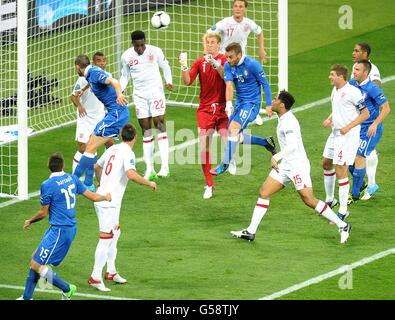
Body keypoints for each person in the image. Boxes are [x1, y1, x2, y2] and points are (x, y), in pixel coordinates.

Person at [230, 91, 351, 244]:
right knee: (264, 192)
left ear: (282, 104)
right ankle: (251, 231)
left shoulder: (289, 122)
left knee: (309, 200)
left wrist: (276, 156)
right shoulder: (283, 118)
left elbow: (293, 146)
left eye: (275, 99)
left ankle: (343, 225)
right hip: (286, 165)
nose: (272, 101)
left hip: (297, 166)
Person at [18, 152, 111, 300]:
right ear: (63, 166)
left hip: (60, 231)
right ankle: (27, 297)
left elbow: (43, 213)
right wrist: (105, 197)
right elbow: (93, 197)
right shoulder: (72, 178)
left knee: (36, 264)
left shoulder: (47, 185)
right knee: (35, 258)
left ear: (49, 167)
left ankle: (67, 289)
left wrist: (30, 220)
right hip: (66, 228)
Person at [88, 124, 157, 291]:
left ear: (121, 135)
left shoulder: (112, 148)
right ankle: (95, 276)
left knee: (115, 232)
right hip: (108, 203)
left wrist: (99, 183)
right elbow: (131, 174)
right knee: (106, 238)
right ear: (135, 138)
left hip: (105, 198)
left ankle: (110, 271)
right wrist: (149, 182)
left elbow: (97, 166)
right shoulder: (128, 153)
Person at [209, 42, 276, 176]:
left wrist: (268, 105)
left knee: (233, 129)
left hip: (251, 104)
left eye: (231, 57)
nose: (228, 60)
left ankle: (225, 163)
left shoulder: (252, 64)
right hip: (239, 103)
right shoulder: (228, 65)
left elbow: (266, 85)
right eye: (227, 57)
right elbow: (228, 85)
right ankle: (266, 143)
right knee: (234, 135)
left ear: (239, 55)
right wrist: (229, 103)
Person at [179, 32, 229, 199]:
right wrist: (184, 66)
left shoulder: (224, 59)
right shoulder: (200, 62)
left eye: (212, 42)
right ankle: (209, 184)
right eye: (207, 42)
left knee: (227, 139)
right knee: (204, 146)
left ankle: (230, 159)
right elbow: (187, 81)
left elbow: (227, 77)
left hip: (222, 108)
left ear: (218, 44)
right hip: (205, 109)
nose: (209, 45)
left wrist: (216, 64)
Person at [120, 30, 173, 181]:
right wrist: (120, 90)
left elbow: (166, 66)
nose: (141, 49)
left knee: (159, 123)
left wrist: (168, 81)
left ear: (145, 42)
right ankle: (149, 169)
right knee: (145, 128)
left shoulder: (155, 51)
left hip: (156, 92)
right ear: (133, 44)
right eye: (137, 46)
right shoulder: (126, 56)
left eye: (143, 45)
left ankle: (164, 167)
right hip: (140, 96)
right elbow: (125, 75)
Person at [73, 54, 129, 191]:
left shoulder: (95, 72)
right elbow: (91, 82)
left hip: (117, 113)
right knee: (92, 143)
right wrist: (82, 89)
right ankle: (90, 180)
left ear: (77, 67)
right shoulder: (89, 75)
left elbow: (114, 81)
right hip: (114, 114)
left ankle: (75, 180)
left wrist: (120, 94)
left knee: (92, 146)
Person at [321, 64, 370, 221]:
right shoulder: (334, 90)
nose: (329, 77)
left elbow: (365, 114)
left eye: (332, 74)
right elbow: (337, 108)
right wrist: (330, 119)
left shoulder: (353, 92)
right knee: (326, 163)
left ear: (341, 77)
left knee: (341, 168)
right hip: (335, 133)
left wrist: (348, 127)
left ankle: (343, 210)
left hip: (347, 136)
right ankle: (330, 199)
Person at [208, 0, 267, 126]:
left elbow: (259, 32)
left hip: (241, 59)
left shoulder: (248, 23)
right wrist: (209, 48)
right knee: (227, 84)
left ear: (245, 9)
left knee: (244, 85)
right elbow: (210, 32)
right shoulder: (225, 22)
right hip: (226, 58)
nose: (237, 9)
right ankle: (227, 108)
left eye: (240, 6)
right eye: (235, 6)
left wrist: (261, 48)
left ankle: (251, 111)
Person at [348, 60, 390, 202]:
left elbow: (386, 108)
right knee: (349, 161)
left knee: (360, 156)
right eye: (354, 69)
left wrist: (375, 124)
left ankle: (354, 195)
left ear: (365, 72)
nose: (354, 72)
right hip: (357, 127)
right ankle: (364, 186)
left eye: (357, 70)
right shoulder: (352, 84)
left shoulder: (372, 88)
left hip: (370, 129)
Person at [71, 52, 114, 176]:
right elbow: (73, 97)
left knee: (110, 144)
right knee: (83, 148)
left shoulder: (108, 76)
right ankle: (76, 176)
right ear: (93, 63)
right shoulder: (82, 79)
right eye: (99, 61)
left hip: (100, 116)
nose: (102, 63)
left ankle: (107, 170)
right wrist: (79, 106)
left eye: (104, 60)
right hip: (85, 118)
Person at [350, 43, 383, 199]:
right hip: (359, 120)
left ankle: (369, 185)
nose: (353, 53)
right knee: (364, 153)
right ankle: (367, 184)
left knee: (363, 153)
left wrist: (373, 117)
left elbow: (375, 89)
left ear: (365, 53)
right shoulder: (355, 68)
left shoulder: (373, 70)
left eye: (356, 51)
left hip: (370, 119)